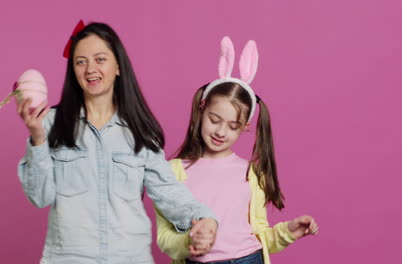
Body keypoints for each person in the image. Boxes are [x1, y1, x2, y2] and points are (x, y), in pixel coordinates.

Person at [17, 21, 217, 264]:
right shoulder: (50, 123)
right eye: (81, 61)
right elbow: (40, 197)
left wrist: (204, 217)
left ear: (119, 66)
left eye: (100, 59)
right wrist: (37, 137)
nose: (90, 69)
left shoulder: (141, 131)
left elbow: (167, 192)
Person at [156, 36, 318, 264]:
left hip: (248, 259)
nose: (221, 132)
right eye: (214, 120)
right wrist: (188, 241)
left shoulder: (251, 173)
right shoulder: (172, 171)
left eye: (233, 126)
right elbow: (164, 238)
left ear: (245, 127)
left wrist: (287, 232)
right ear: (201, 112)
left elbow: (260, 235)